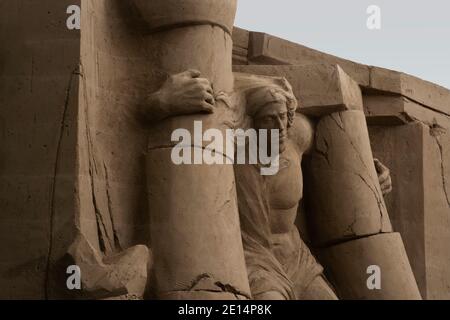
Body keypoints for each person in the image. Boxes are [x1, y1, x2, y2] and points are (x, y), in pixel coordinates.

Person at [233, 74, 392, 300]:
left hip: (296, 260)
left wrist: (368, 177)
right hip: (253, 259)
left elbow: (338, 148)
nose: (279, 127)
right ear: (250, 121)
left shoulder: (296, 136)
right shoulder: (229, 153)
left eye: (282, 117)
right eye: (269, 119)